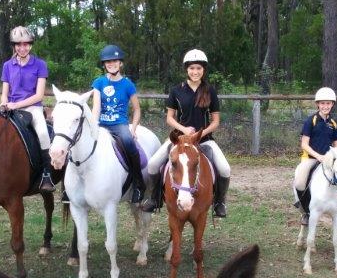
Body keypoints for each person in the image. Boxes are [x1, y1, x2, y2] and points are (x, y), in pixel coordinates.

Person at [140, 49, 231, 217]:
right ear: (186, 70)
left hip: (204, 140)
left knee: (225, 169)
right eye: (191, 68)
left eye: (198, 68)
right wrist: (184, 131)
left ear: (203, 70)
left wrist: (200, 134)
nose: (195, 72)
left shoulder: (210, 91)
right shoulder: (176, 91)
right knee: (153, 164)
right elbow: (170, 118)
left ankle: (219, 203)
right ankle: (154, 198)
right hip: (178, 140)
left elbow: (216, 121)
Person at [0, 26, 55, 192]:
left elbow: (39, 96)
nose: (22, 48)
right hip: (11, 108)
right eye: (18, 45)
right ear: (14, 46)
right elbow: (4, 93)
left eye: (26, 44)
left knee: (44, 133)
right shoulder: (8, 65)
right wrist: (3, 103)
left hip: (32, 108)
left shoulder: (40, 65)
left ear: (31, 45)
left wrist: (16, 104)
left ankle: (46, 173)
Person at [90, 44, 146, 204]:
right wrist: (93, 125)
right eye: (108, 62)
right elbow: (96, 108)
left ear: (120, 63)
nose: (111, 64)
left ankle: (138, 183)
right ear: (104, 65)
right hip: (101, 124)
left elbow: (136, 109)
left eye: (114, 61)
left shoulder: (128, 84)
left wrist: (133, 128)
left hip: (119, 124)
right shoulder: (99, 83)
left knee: (129, 143)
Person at [293, 87, 337, 226]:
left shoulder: (333, 123)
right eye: (322, 103)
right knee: (299, 183)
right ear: (317, 104)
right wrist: (319, 157)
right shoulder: (311, 121)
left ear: (332, 104)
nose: (325, 106)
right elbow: (304, 144)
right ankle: (305, 213)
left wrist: (336, 158)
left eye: (328, 103)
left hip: (328, 160)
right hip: (310, 158)